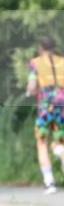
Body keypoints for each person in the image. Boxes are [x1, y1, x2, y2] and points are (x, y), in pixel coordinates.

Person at [26, 36, 64, 194]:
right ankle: (60, 150)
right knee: (61, 142)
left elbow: (32, 86)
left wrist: (30, 91)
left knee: (41, 142)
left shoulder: (35, 63)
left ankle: (49, 183)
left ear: (41, 48)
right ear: (54, 48)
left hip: (45, 109)